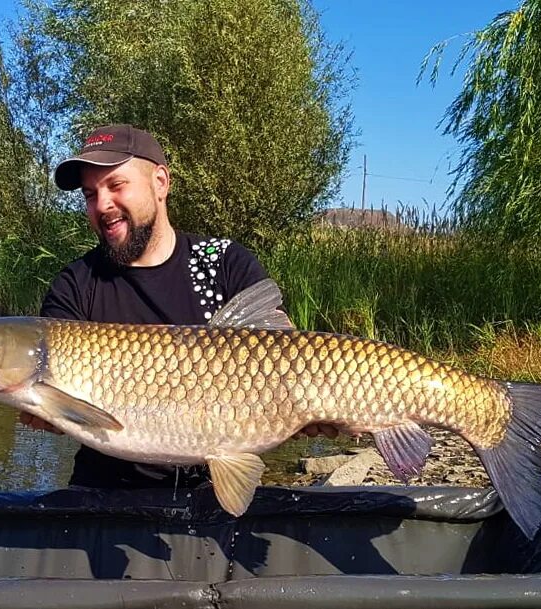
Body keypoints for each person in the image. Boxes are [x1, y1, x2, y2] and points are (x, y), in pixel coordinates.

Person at [21, 123, 336, 489]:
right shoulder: (76, 284)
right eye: (90, 194)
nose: (102, 205)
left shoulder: (223, 263)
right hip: (103, 486)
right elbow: (58, 407)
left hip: (209, 483)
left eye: (116, 186)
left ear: (160, 182)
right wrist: (42, 410)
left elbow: (287, 358)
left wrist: (307, 410)